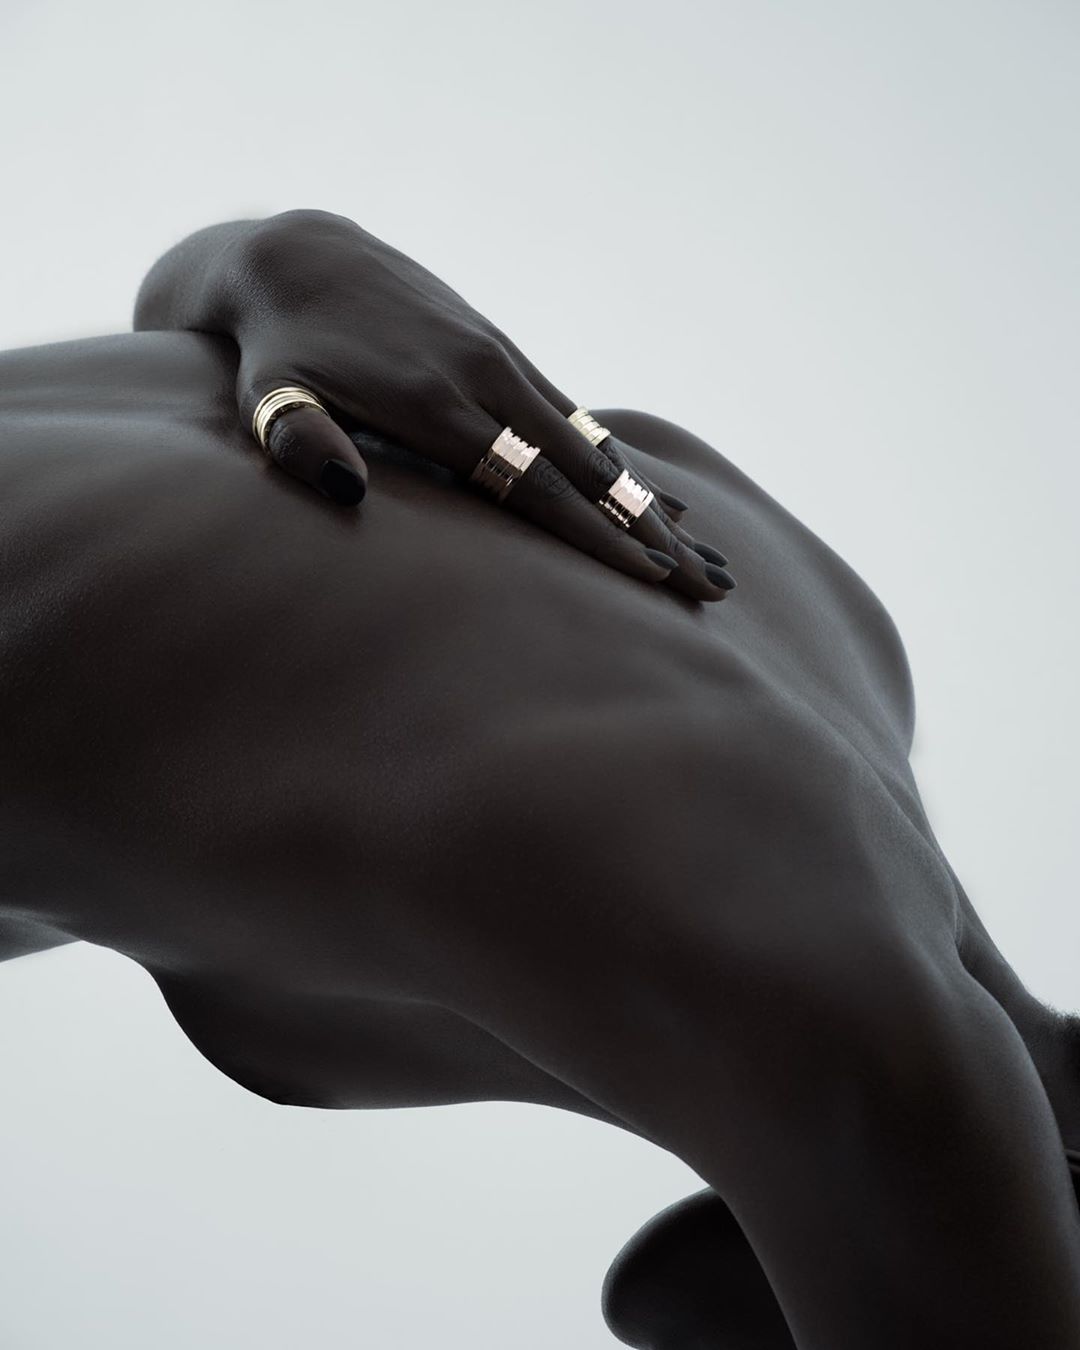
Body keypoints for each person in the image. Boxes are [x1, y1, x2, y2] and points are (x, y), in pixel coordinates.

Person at [1, 209, 1078, 1350]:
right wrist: (279, 263)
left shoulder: (786, 581)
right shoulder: (836, 1032)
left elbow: (187, 372)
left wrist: (281, 261)